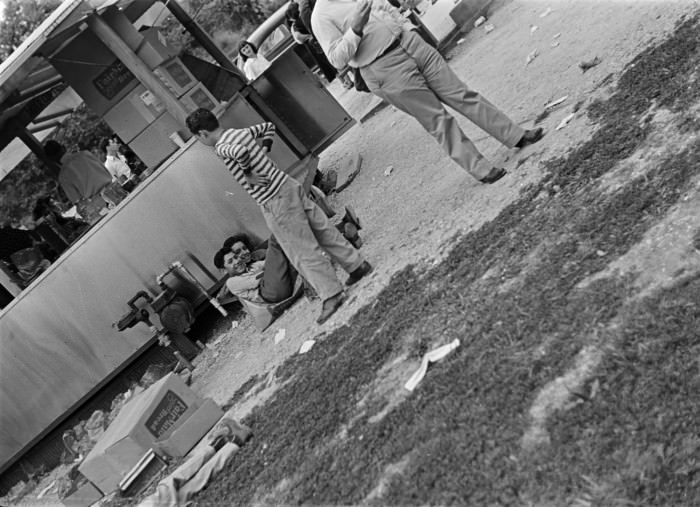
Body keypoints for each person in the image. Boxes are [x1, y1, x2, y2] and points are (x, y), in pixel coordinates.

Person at [311, 0, 545, 184]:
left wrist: (408, 29)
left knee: (462, 94)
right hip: (385, 67)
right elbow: (336, 58)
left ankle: (515, 135)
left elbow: (384, 6)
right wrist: (355, 29)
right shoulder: (321, 15)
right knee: (438, 120)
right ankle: (481, 169)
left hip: (411, 44)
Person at [186, 108, 373, 324]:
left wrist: (249, 174)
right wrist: (264, 149)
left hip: (274, 199)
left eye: (198, 138)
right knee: (323, 231)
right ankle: (357, 265)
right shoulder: (239, 133)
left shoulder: (221, 147)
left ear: (202, 134)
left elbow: (240, 153)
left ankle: (331, 294)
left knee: (301, 249)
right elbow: (268, 127)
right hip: (288, 184)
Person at [214, 234, 296, 304]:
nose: (237, 261)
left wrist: (269, 266)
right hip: (269, 294)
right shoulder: (231, 282)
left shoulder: (252, 266)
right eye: (230, 261)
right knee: (273, 241)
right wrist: (266, 270)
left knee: (288, 260)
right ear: (224, 270)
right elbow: (255, 280)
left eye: (236, 257)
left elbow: (268, 262)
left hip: (275, 287)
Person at [43, 140, 112, 203]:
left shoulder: (63, 176)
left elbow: (77, 200)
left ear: (52, 160)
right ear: (63, 147)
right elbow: (105, 170)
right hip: (114, 187)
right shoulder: (85, 154)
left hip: (100, 202)